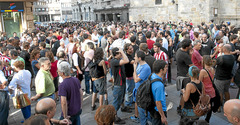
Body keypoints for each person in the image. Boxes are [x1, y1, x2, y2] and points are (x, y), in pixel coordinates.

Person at [110, 47, 129, 124]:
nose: (121, 54)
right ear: (116, 54)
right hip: (118, 84)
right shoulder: (114, 61)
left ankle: (115, 116)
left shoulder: (117, 60)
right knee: (116, 102)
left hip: (122, 83)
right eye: (120, 53)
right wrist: (122, 51)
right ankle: (113, 118)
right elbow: (126, 60)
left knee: (120, 100)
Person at [132, 51, 151, 124]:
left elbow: (136, 79)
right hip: (138, 89)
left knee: (142, 109)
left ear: (139, 58)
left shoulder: (146, 68)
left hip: (142, 91)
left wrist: (134, 69)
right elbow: (135, 77)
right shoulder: (139, 65)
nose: (134, 58)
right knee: (139, 106)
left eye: (135, 57)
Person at [214, 44, 235, 110]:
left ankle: (219, 107)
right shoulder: (232, 57)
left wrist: (216, 53)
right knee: (226, 91)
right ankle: (227, 105)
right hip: (228, 77)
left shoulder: (221, 58)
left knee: (219, 92)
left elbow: (214, 64)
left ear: (225, 49)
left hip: (220, 78)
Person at [199, 55, 217, 123]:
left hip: (205, 91)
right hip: (212, 91)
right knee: (210, 107)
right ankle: (207, 120)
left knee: (202, 105)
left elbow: (200, 82)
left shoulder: (203, 71)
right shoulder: (212, 69)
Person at [150, 60, 168, 125]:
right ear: (161, 70)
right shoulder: (159, 85)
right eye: (166, 67)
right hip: (159, 112)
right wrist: (163, 116)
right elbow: (158, 102)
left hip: (152, 109)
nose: (167, 68)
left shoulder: (152, 76)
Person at [0, 61, 9, 125]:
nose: (3, 66)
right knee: (3, 111)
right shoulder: (0, 72)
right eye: (2, 65)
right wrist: (3, 85)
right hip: (2, 93)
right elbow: (4, 81)